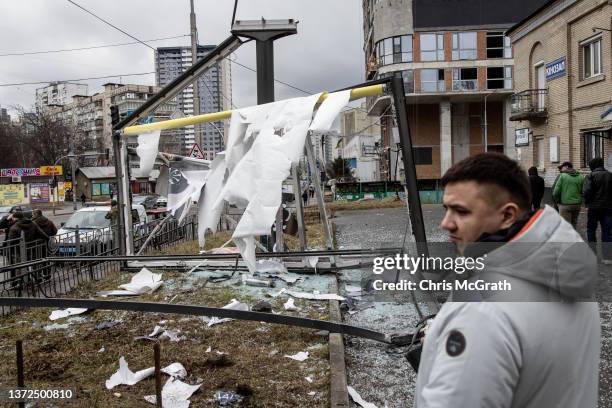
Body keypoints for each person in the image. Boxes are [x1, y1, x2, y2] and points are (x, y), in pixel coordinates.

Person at [415, 153, 599, 408]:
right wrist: (442, 337)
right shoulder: (572, 280)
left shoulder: (479, 309)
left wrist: (450, 343)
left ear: (507, 215)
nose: (446, 223)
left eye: (460, 211)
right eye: (446, 209)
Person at [583, 157, 612, 264]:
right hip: (608, 208)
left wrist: (587, 202)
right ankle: (607, 257)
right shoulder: (610, 175)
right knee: (607, 232)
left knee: (591, 230)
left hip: (594, 208)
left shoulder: (591, 176)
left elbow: (586, 192)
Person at [552, 161, 583, 228]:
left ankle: (566, 238)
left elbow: (555, 192)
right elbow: (583, 191)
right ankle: (573, 237)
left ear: (566, 167)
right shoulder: (581, 176)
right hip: (577, 205)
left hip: (565, 205)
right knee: (574, 223)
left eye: (561, 168)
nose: (560, 170)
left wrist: (557, 202)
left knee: (564, 225)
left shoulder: (562, 176)